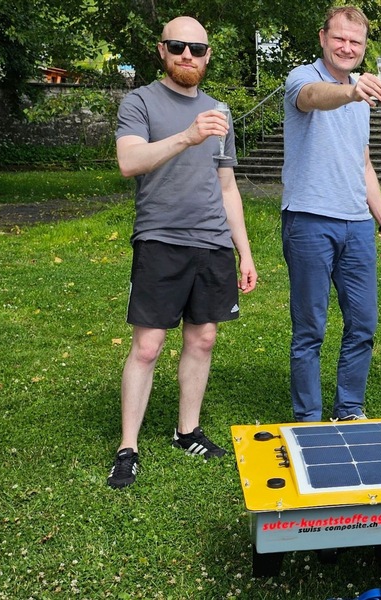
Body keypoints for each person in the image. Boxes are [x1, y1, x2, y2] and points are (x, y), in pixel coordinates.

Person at [108, 16, 258, 489]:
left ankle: (186, 430)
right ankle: (127, 447)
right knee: (148, 345)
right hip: (160, 238)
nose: (187, 56)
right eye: (178, 47)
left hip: (212, 243)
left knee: (203, 339)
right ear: (162, 51)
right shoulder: (140, 102)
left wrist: (245, 251)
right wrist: (187, 136)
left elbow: (227, 186)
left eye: (196, 48)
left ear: (208, 55)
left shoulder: (220, 110)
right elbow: (130, 161)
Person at [281, 6, 381, 422]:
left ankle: (349, 409)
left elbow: (362, 164)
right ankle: (309, 419)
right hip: (309, 219)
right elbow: (313, 99)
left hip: (356, 225)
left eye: (356, 42)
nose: (347, 47)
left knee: (363, 324)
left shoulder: (361, 94)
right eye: (340, 39)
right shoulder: (304, 78)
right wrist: (351, 92)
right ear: (323, 38)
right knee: (310, 329)